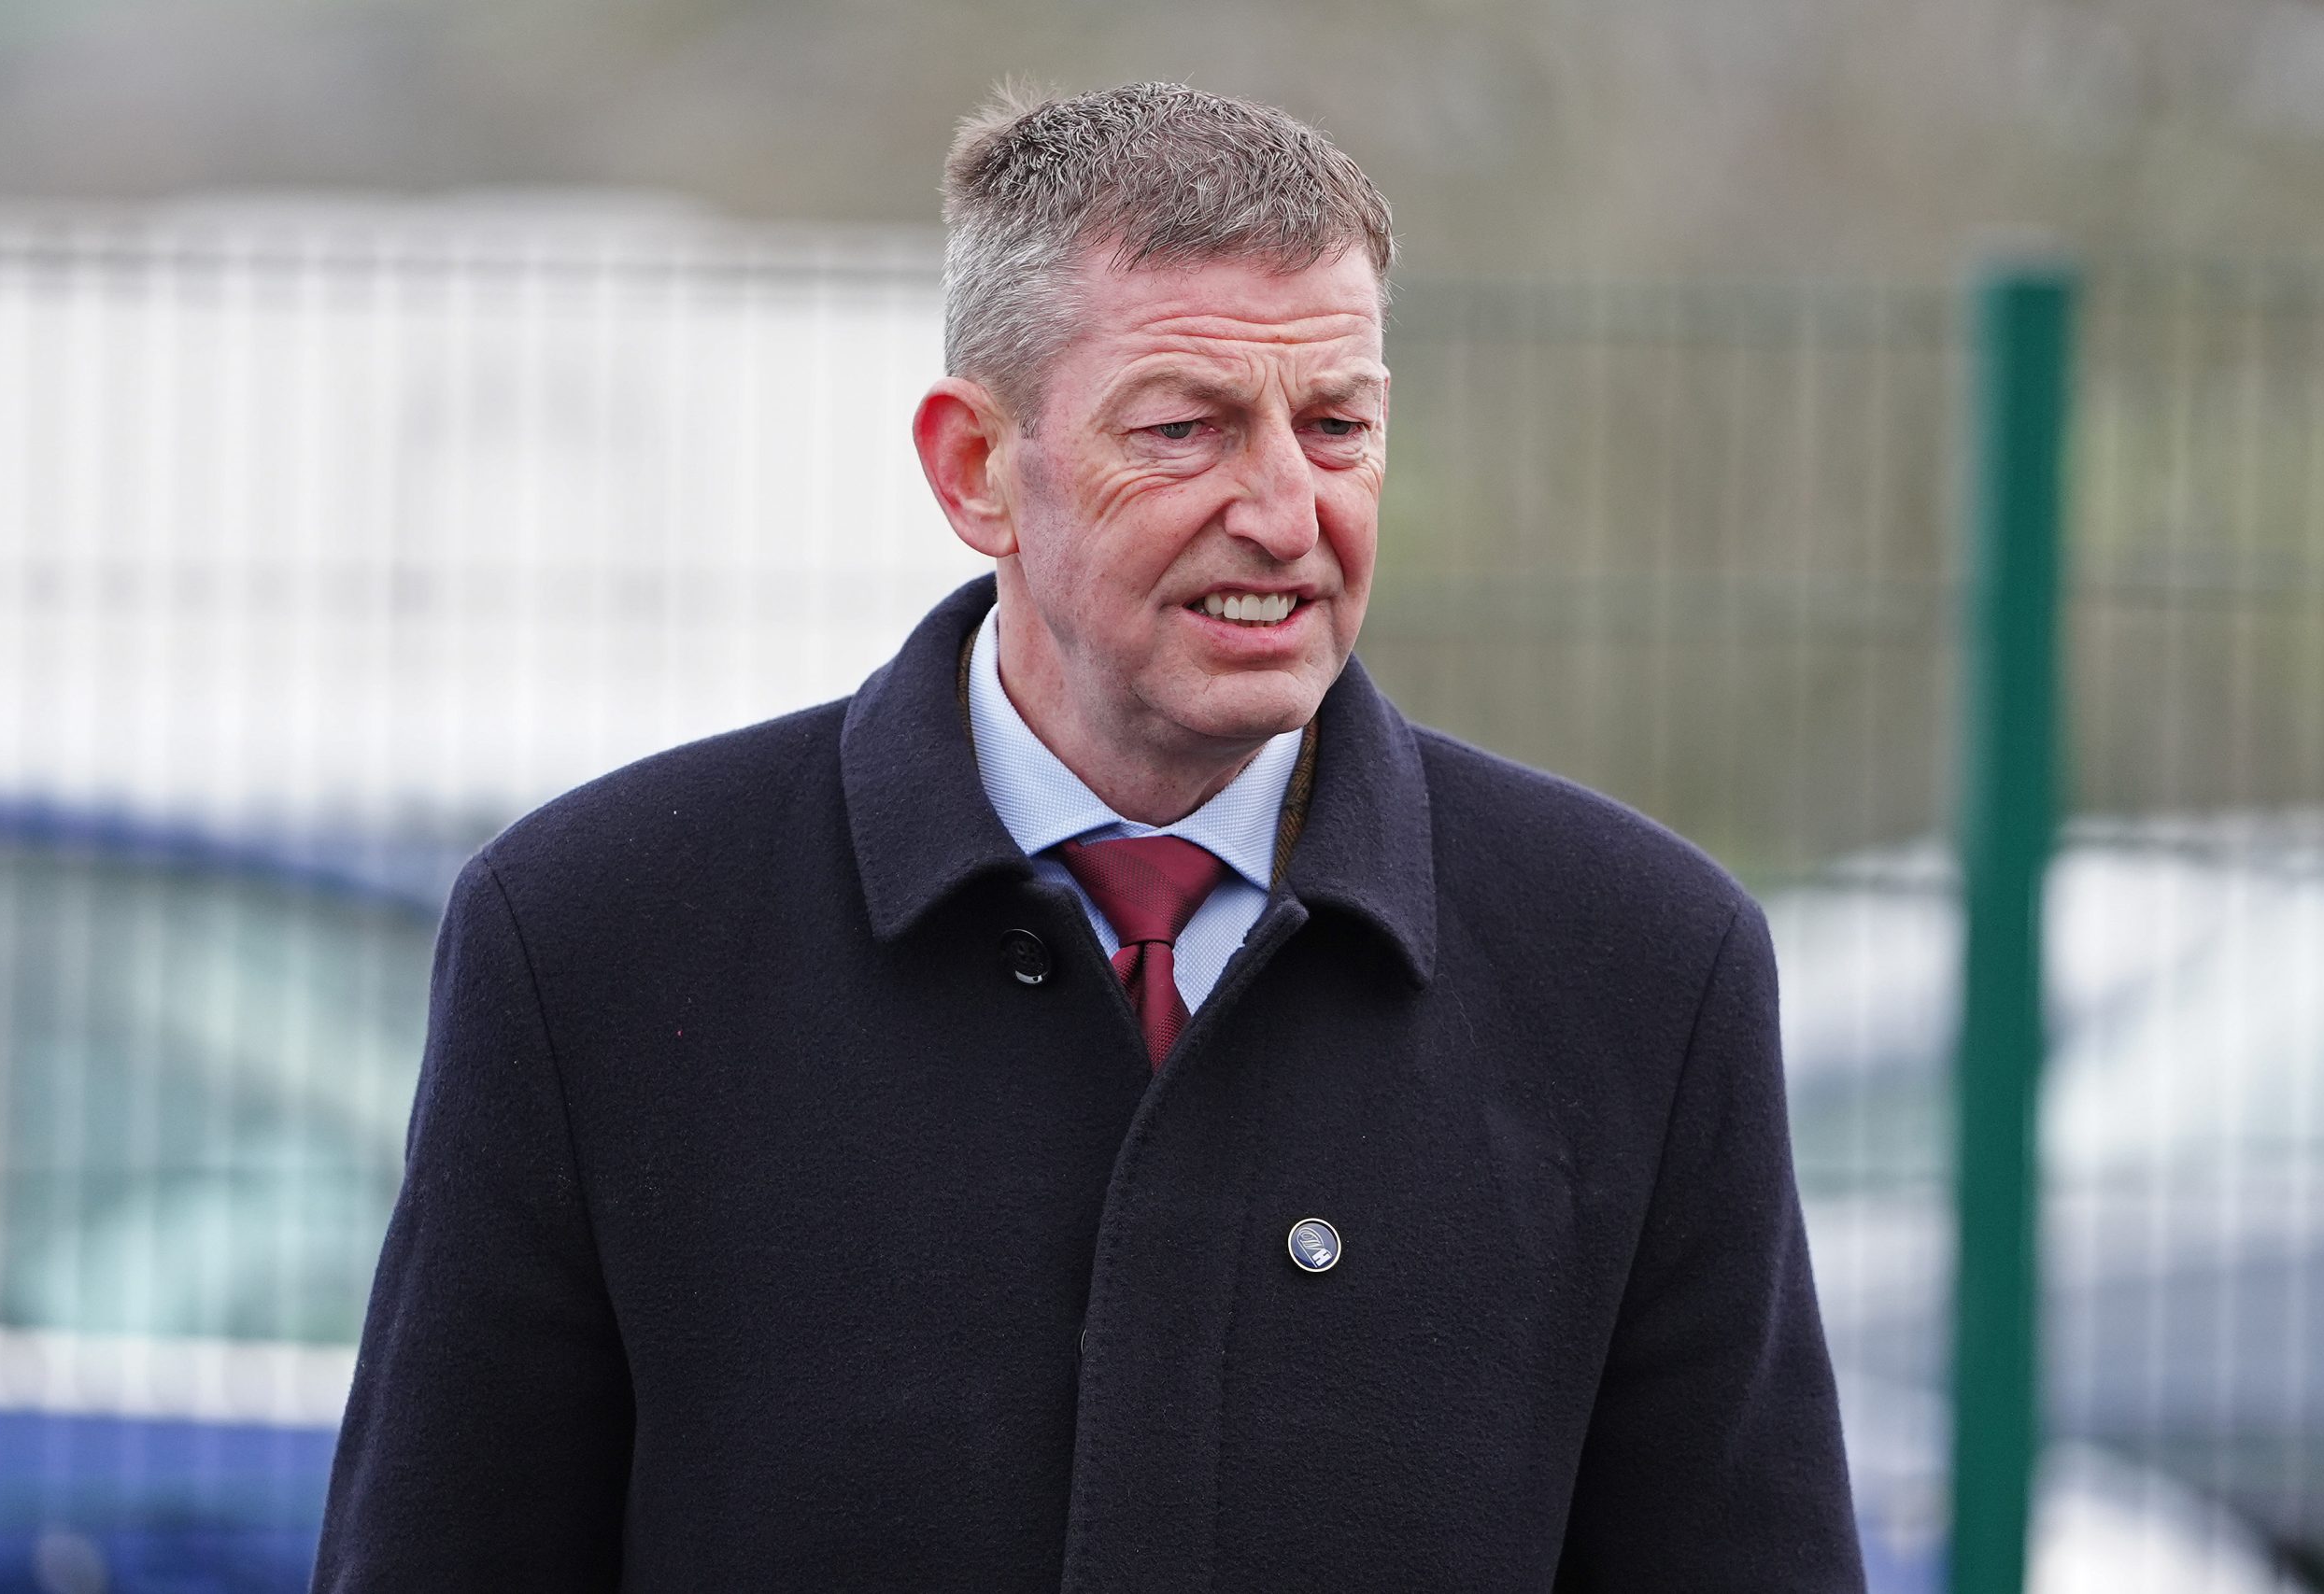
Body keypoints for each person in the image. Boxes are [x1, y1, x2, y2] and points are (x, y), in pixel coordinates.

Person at [313, 81, 1863, 1592]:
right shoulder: (593, 941)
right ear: (975, 469)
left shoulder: (1643, 970)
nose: (1286, 513)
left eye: (1337, 426)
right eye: (1186, 429)